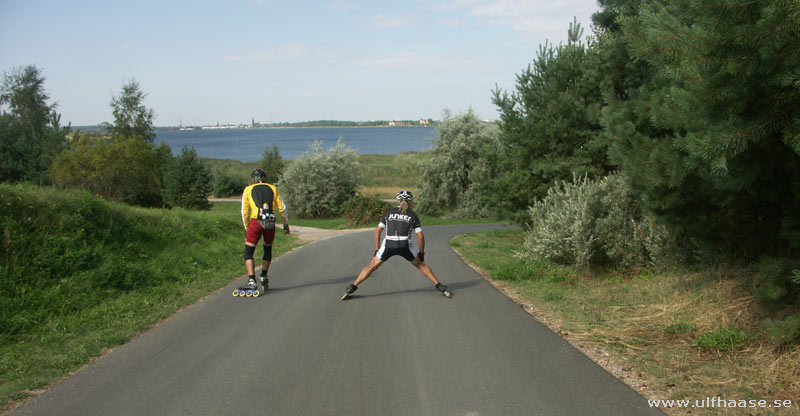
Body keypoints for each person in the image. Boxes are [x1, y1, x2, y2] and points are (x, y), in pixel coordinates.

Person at [341, 189, 450, 300]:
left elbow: (378, 231)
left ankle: (352, 287)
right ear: (411, 202)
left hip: (389, 243)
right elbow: (420, 236)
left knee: (372, 266)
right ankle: (439, 285)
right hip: (405, 245)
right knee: (421, 266)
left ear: (398, 201)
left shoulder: (388, 213)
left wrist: (377, 249)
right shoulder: (413, 216)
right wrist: (421, 253)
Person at [241, 168, 289, 292]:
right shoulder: (273, 188)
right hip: (270, 222)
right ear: (264, 177)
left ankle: (252, 280)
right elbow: (282, 207)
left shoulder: (248, 189)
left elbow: (244, 211)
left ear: (253, 179)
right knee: (267, 248)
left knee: (249, 251)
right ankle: (263, 275)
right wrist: (285, 224)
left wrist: (247, 227)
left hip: (255, 221)